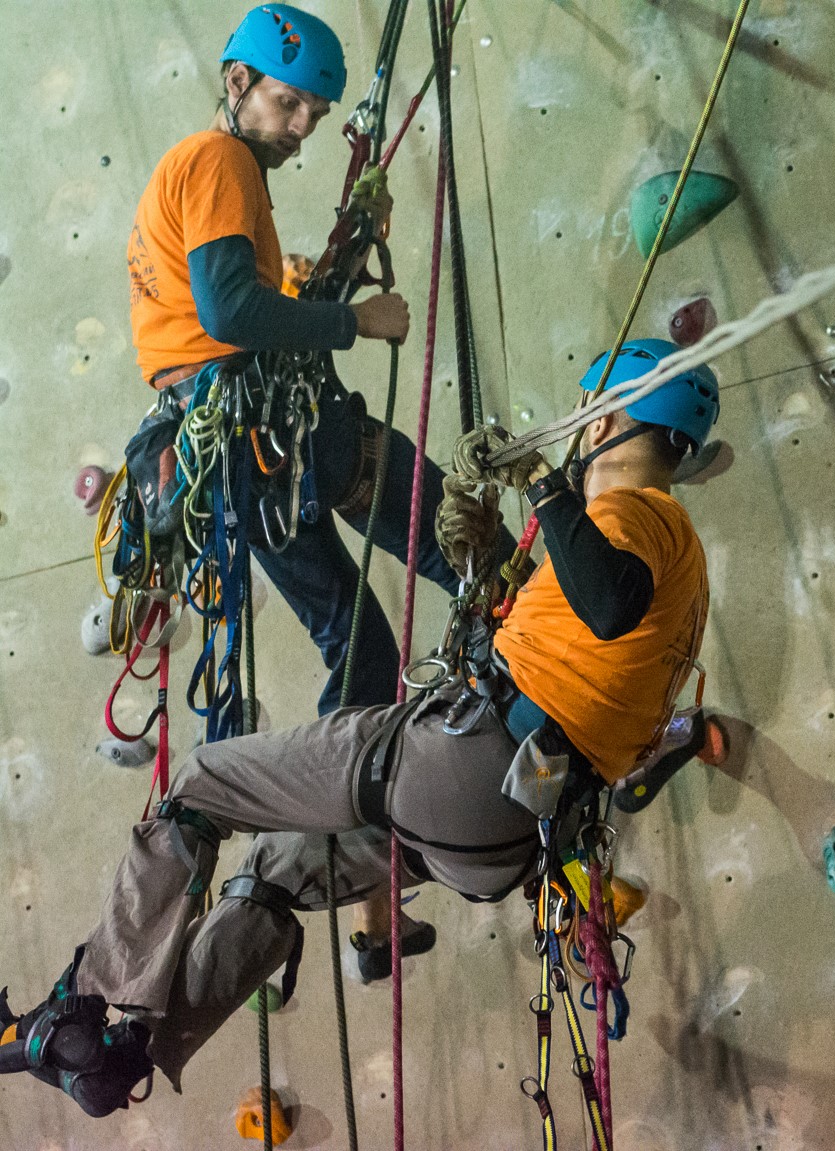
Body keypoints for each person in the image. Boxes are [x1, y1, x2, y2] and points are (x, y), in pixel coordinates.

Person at [0, 343, 720, 1119]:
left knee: (202, 784)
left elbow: (609, 601)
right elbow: (580, 629)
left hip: (460, 757)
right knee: (274, 870)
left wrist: (548, 490)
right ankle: (125, 1051)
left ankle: (86, 1002)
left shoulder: (634, 516)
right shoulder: (683, 576)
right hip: (507, 830)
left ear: (605, 420)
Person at [122, 4, 515, 978]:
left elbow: (232, 306)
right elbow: (230, 310)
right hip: (267, 429)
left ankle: (364, 900)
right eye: (288, 102)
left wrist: (325, 271)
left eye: (313, 111)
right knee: (462, 555)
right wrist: (354, 316)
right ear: (236, 82)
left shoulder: (222, 174)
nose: (300, 125)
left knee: (368, 644)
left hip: (255, 439)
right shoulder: (215, 162)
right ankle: (508, 740)